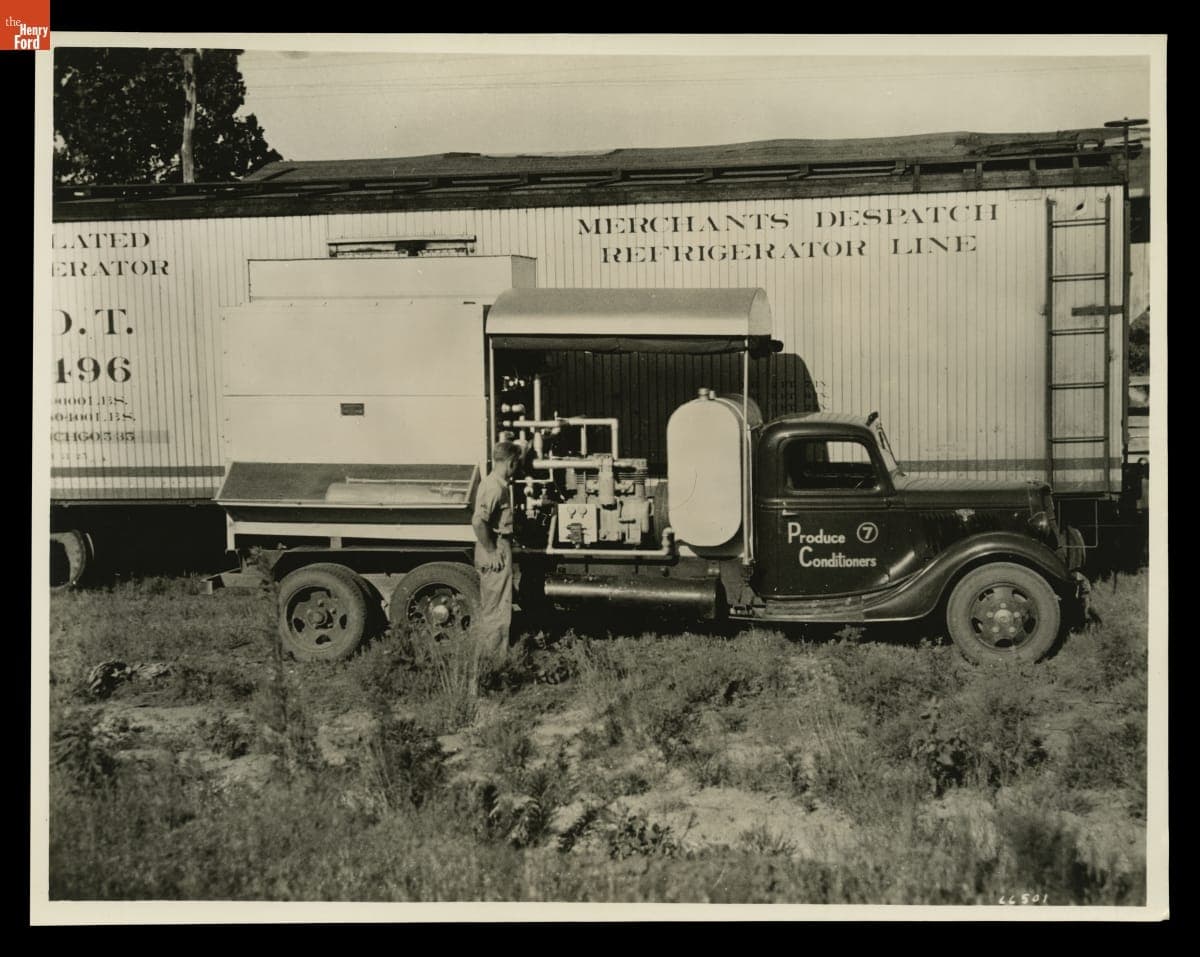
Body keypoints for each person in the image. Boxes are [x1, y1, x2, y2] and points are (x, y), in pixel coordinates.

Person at [471, 441, 521, 664]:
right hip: (495, 546)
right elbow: (478, 522)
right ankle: (493, 665)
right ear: (511, 463)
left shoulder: (496, 483)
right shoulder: (495, 487)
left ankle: (497, 661)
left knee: (499, 607)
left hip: (497, 544)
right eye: (516, 464)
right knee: (496, 611)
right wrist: (492, 551)